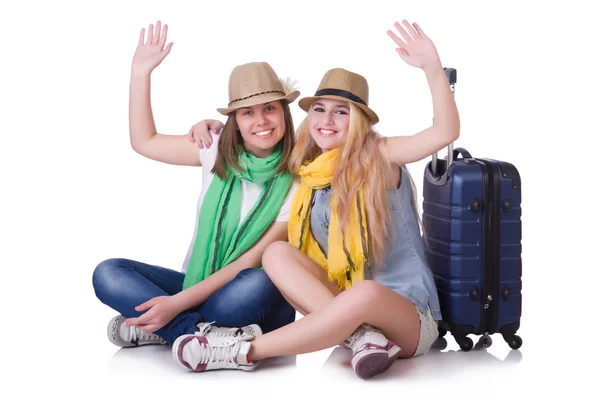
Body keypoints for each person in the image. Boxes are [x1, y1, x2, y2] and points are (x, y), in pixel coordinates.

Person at [177, 19, 459, 379]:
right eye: (319, 109)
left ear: (358, 120)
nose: (327, 119)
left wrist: (432, 69)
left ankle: (238, 350)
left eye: (341, 111)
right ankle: (362, 338)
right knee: (276, 253)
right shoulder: (308, 169)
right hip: (344, 306)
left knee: (365, 294)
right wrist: (213, 125)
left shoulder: (380, 155)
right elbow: (258, 135)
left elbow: (445, 132)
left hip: (409, 317)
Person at [92, 20, 300, 349]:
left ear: (284, 113)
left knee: (260, 280)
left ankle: (168, 326)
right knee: (108, 272)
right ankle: (199, 336)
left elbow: (248, 262)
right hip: (196, 283)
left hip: (246, 296)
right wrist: (140, 74)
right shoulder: (215, 149)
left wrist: (174, 303)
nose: (260, 121)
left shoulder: (299, 176)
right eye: (247, 112)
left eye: (270, 109)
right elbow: (144, 141)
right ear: (236, 120)